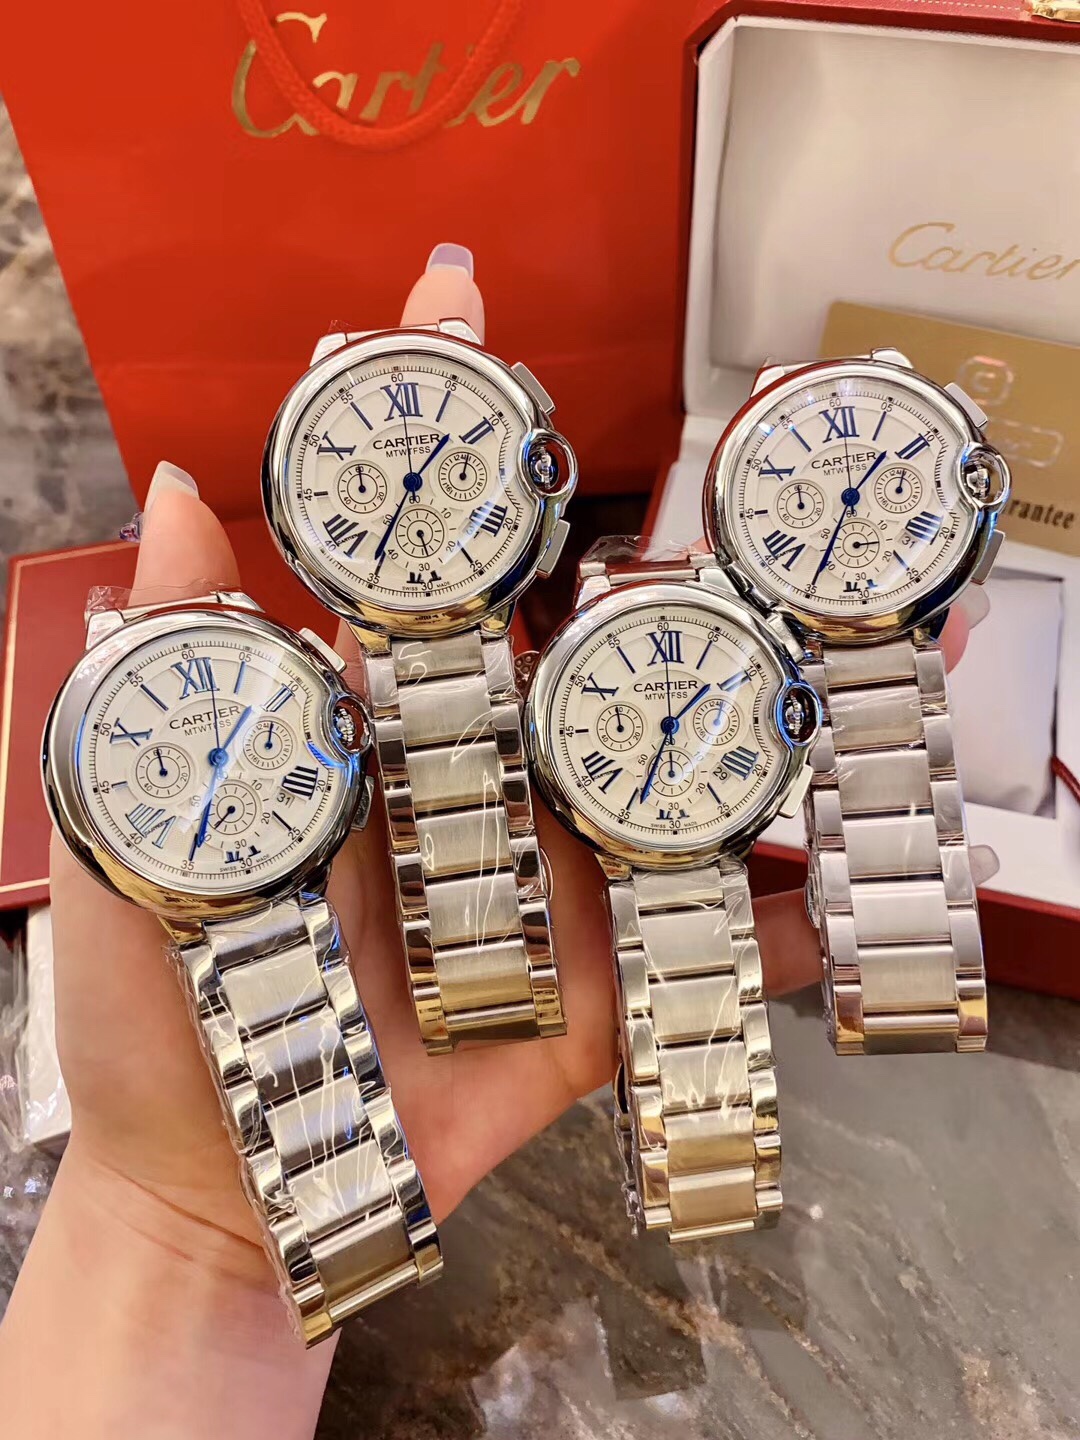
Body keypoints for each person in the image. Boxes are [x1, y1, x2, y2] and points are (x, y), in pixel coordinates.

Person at [0, 252, 975, 1438]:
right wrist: (181, 1224)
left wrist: (181, 1239)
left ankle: (569, 1048)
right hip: (314, 881)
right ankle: (477, 1027)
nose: (417, 482)